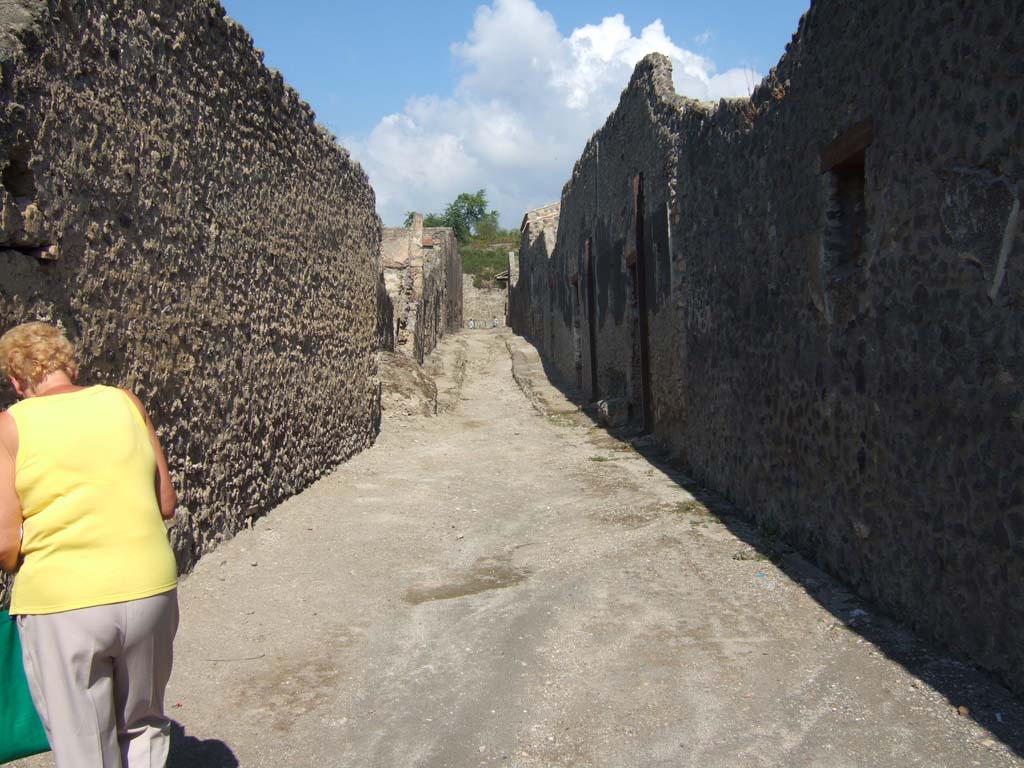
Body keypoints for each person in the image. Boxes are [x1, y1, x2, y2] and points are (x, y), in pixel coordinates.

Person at [0, 321, 179, 768]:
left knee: (83, 745)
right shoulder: (124, 401)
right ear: (67, 363)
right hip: (149, 589)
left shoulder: (10, 427)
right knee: (144, 724)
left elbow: (5, 546)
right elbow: (166, 502)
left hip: (64, 604)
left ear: (15, 379)